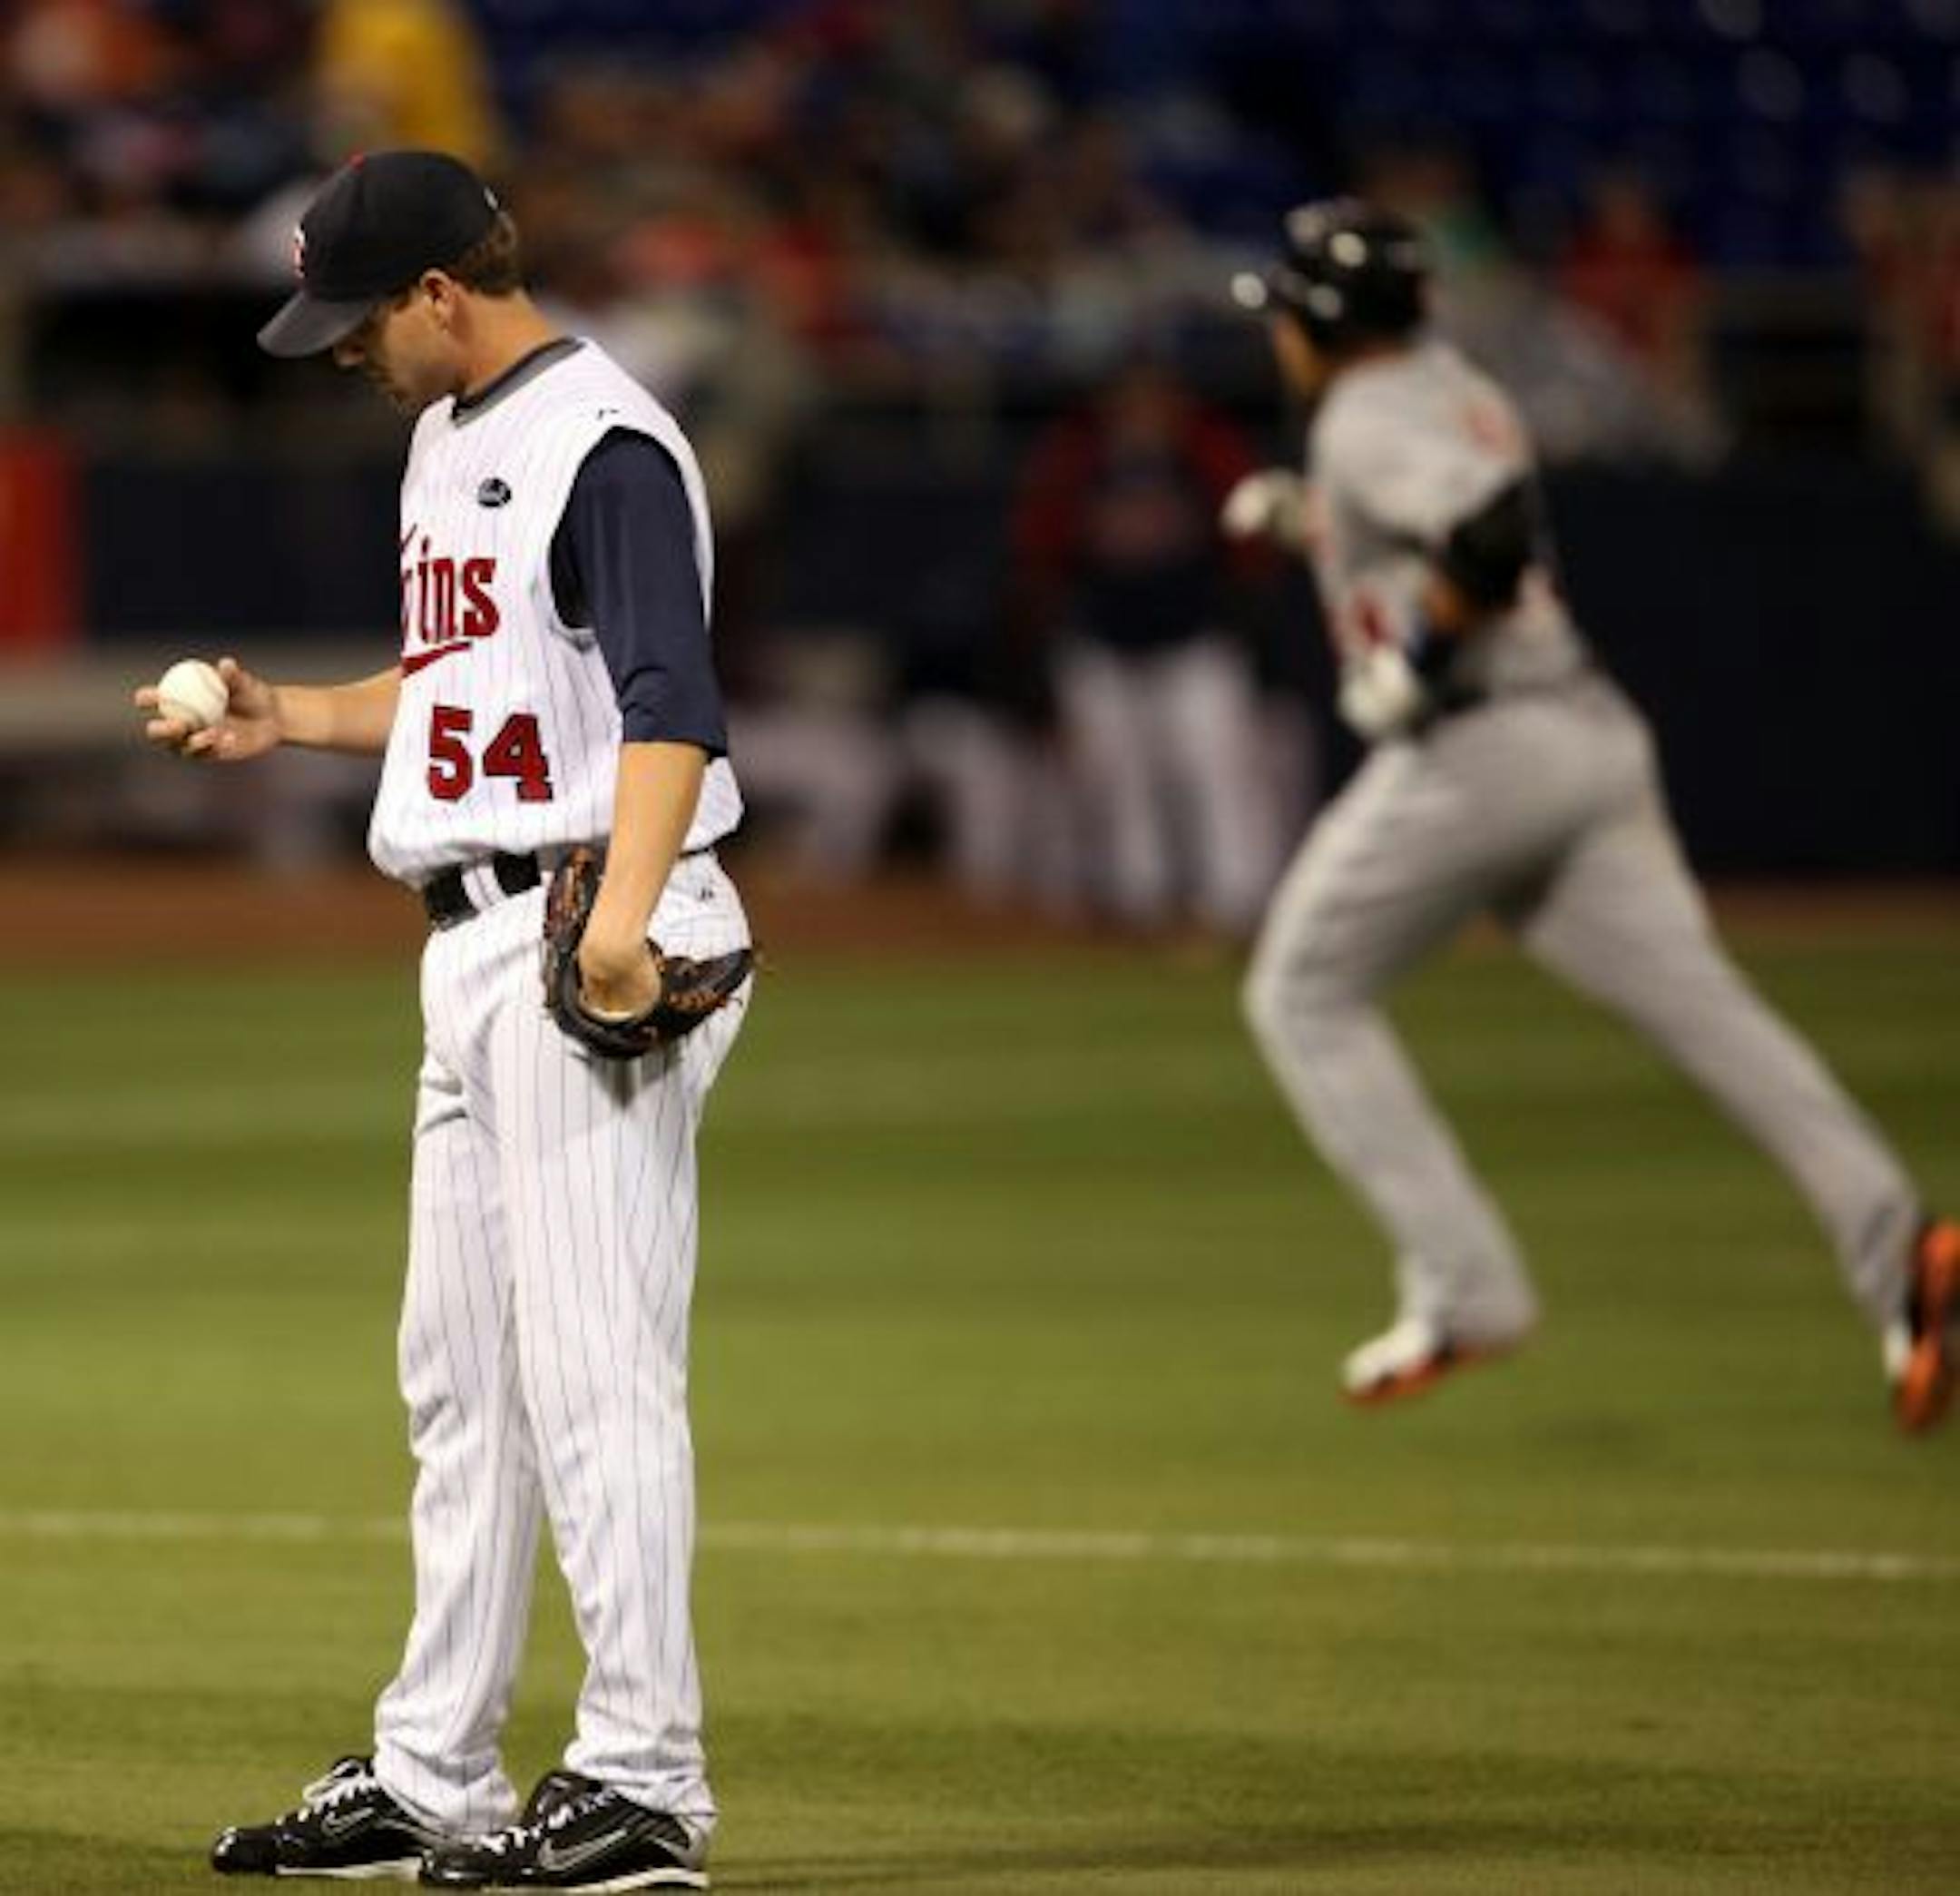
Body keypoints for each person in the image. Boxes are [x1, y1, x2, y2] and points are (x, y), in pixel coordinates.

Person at [137, 149, 750, 1888]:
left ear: (438, 293)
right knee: (463, 1385)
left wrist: (620, 922)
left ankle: (643, 1783)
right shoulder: (449, 435)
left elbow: (666, 701)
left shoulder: (603, 439)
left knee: (591, 1373)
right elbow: (469, 681)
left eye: (356, 319)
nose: (338, 351)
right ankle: (436, 1774)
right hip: (477, 936)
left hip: (584, 914)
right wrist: (292, 719)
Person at [1223, 199, 1956, 1433]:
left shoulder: (1360, 412)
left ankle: (1469, 1285)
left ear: (1325, 324)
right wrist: (1311, 521)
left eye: (1288, 313)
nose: (1278, 336)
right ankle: (1902, 1258)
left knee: (1299, 992)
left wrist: (1417, 659)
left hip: (1481, 747)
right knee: (1713, 1017)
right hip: (1588, 737)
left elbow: (1488, 535)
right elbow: (1448, 516)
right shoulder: (1449, 383)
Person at [1011, 354, 1286, 937]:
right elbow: (1039, 551)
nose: (1143, 408)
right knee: (1117, 780)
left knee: (1216, 769)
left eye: (1155, 394)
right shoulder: (1079, 454)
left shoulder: (1205, 450)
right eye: (1130, 396)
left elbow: (1252, 546)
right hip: (1104, 642)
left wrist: (1241, 621)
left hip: (1195, 640)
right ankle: (1138, 903)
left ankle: (1236, 902)